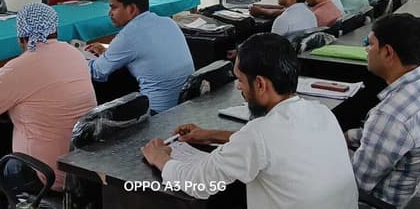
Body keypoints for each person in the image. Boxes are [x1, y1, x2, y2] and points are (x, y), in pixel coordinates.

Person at [141, 33, 358, 209]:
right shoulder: (321, 112)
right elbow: (276, 145)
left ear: (260, 84)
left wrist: (160, 158)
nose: (238, 87)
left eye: (241, 80)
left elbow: (198, 182)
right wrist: (210, 135)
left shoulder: (259, 134)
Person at [0, 3, 97, 209]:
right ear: (55, 29)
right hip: (80, 167)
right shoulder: (74, 53)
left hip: (42, 171)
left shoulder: (20, 66)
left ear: (21, 38)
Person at [347, 14, 420, 206]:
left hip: (385, 202)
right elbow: (391, 136)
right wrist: (350, 136)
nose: (367, 50)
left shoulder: (390, 116)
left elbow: (356, 184)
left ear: (388, 52)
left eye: (371, 44)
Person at [85, 0, 194, 113]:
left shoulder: (129, 35)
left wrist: (78, 59)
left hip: (157, 113)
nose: (110, 13)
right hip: (185, 105)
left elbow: (97, 72)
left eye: (114, 8)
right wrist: (108, 52)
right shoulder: (168, 22)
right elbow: (148, 52)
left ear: (131, 9)